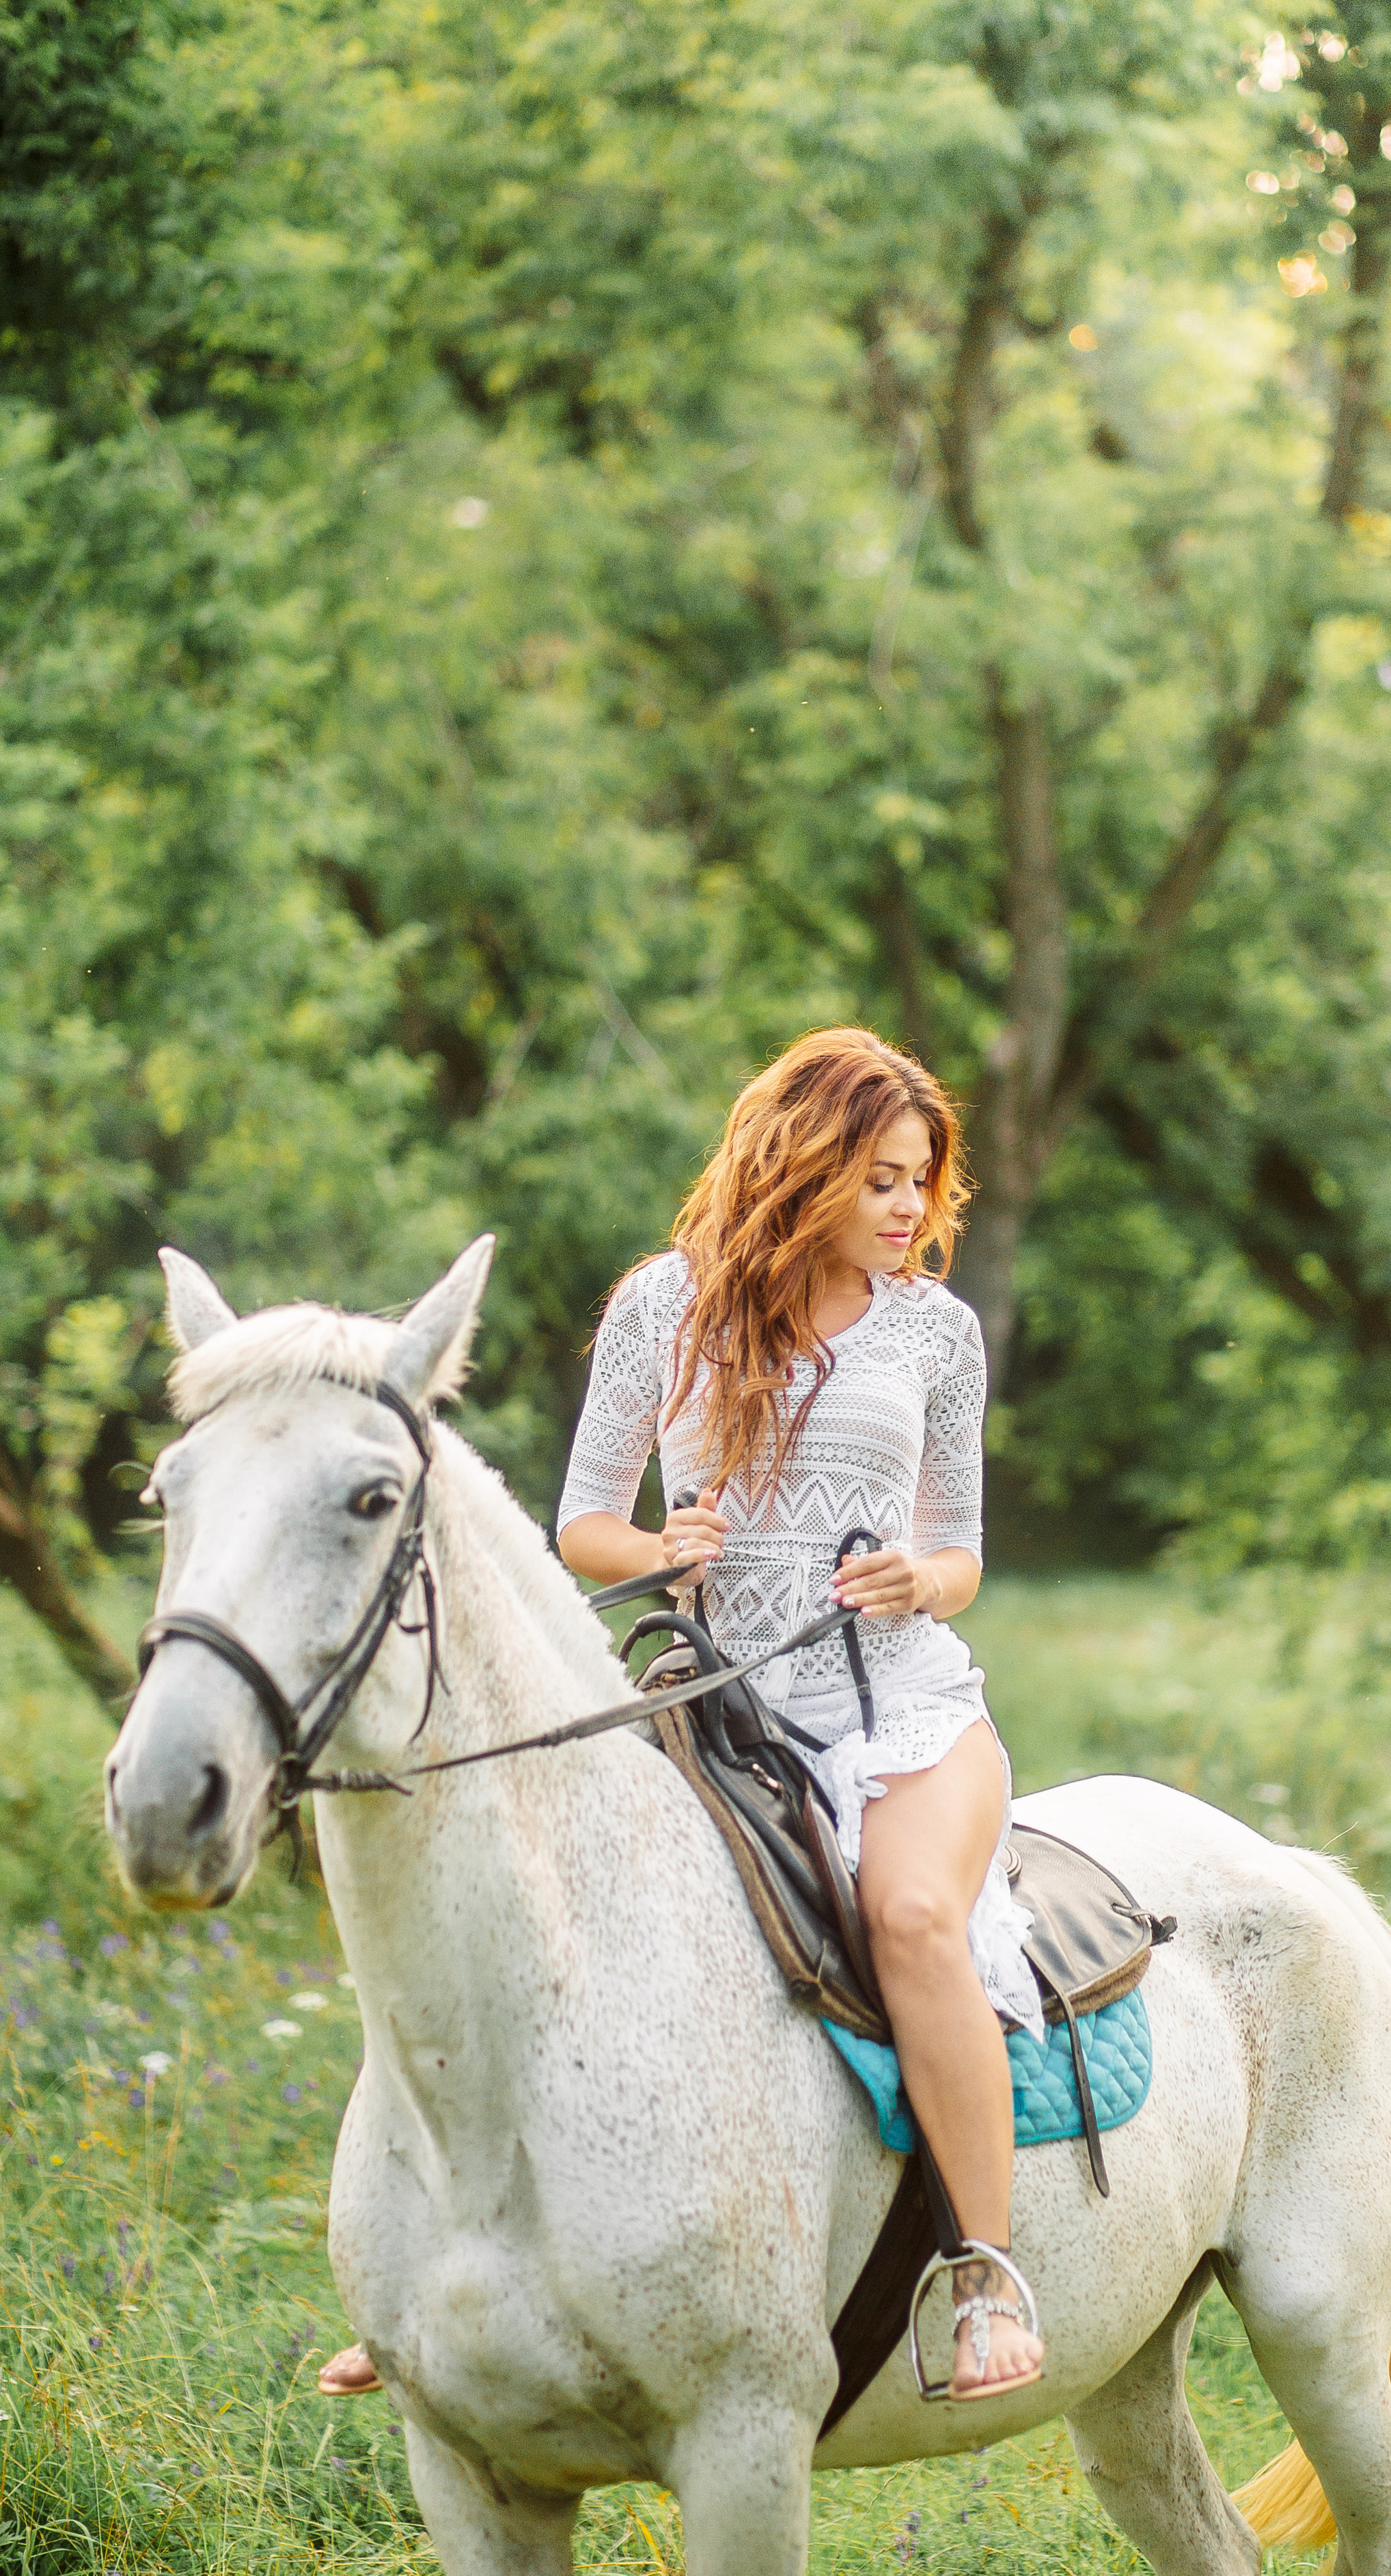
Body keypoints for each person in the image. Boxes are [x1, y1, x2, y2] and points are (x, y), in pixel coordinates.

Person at [320, 1026, 1043, 2404]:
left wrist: (915, 1576)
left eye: (918, 1182)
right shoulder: (666, 1306)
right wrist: (658, 1547)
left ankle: (982, 2273)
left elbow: (963, 1549)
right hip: (704, 1704)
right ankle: (437, 2266)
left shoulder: (935, 1333)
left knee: (907, 1919)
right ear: (805, 1163)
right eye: (880, 1178)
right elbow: (581, 1523)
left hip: (897, 1708)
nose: (907, 1208)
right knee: (512, 1910)